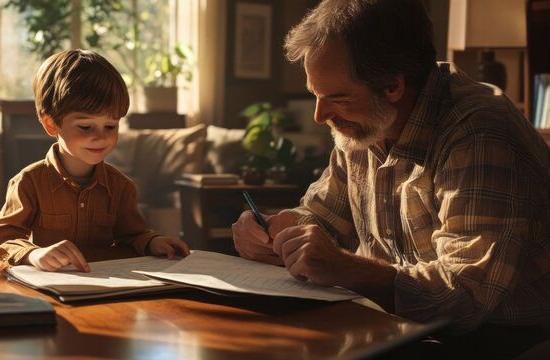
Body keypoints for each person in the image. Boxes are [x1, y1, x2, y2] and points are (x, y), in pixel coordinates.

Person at [232, 0, 550, 349]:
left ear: (393, 87)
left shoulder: (480, 131)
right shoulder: (365, 122)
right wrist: (281, 230)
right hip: (397, 329)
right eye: (316, 95)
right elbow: (323, 215)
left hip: (499, 343)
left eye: (336, 98)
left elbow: (465, 296)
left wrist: (346, 268)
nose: (320, 116)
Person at [0, 49, 190, 272]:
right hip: (54, 286)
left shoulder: (121, 186)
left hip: (110, 289)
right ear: (51, 124)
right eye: (86, 127)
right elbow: (3, 236)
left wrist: (153, 242)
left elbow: (133, 235)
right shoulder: (29, 182)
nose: (101, 137)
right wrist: (34, 254)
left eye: (110, 126)